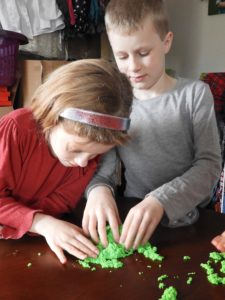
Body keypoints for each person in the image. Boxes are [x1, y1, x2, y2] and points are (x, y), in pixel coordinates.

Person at [82, 0, 222, 250]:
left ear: (166, 42)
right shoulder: (116, 104)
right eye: (122, 56)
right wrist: (98, 190)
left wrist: (161, 200)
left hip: (190, 222)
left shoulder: (195, 95)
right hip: (132, 217)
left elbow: (209, 166)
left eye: (143, 53)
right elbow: (105, 168)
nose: (133, 66)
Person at [0, 59, 133, 264]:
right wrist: (41, 223)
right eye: (75, 149)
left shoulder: (85, 154)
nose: (82, 163)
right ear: (52, 116)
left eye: (93, 156)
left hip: (33, 241)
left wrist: (41, 222)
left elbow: (63, 201)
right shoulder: (16, 130)